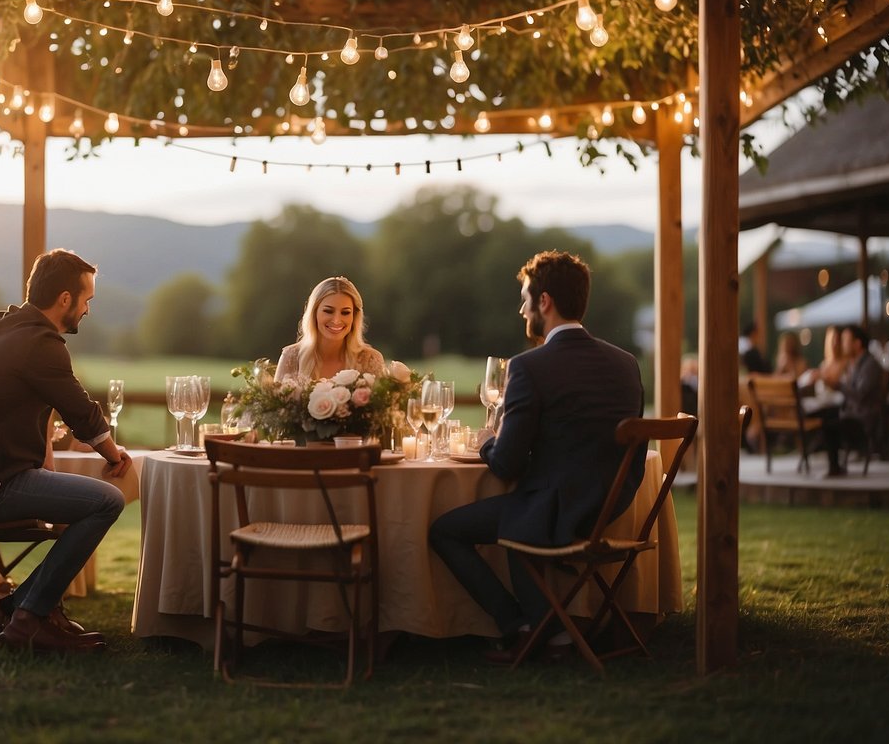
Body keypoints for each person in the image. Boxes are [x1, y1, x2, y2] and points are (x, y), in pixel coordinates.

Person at [429, 250, 644, 663]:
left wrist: (489, 439)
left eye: (526, 297)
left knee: (445, 530)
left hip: (554, 510)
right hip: (610, 508)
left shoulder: (529, 366)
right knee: (520, 515)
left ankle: (522, 627)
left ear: (544, 302)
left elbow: (506, 464)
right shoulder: (626, 363)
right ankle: (556, 631)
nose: (522, 307)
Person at [0, 249, 133, 653]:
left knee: (77, 499)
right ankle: (28, 618)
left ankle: (28, 606)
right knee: (106, 500)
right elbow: (81, 411)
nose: (88, 310)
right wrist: (115, 455)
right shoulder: (40, 342)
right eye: (87, 299)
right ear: (65, 300)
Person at [273, 276, 385, 382]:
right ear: (314, 313)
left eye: (345, 313)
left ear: (354, 317)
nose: (336, 320)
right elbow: (274, 402)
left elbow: (385, 402)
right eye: (328, 311)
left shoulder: (370, 360)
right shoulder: (291, 357)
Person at [837, 324, 886, 459]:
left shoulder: (870, 365)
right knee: (825, 415)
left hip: (863, 417)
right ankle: (834, 464)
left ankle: (835, 464)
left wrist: (837, 385)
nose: (842, 345)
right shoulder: (854, 364)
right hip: (853, 414)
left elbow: (860, 394)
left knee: (828, 418)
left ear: (857, 344)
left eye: (845, 340)